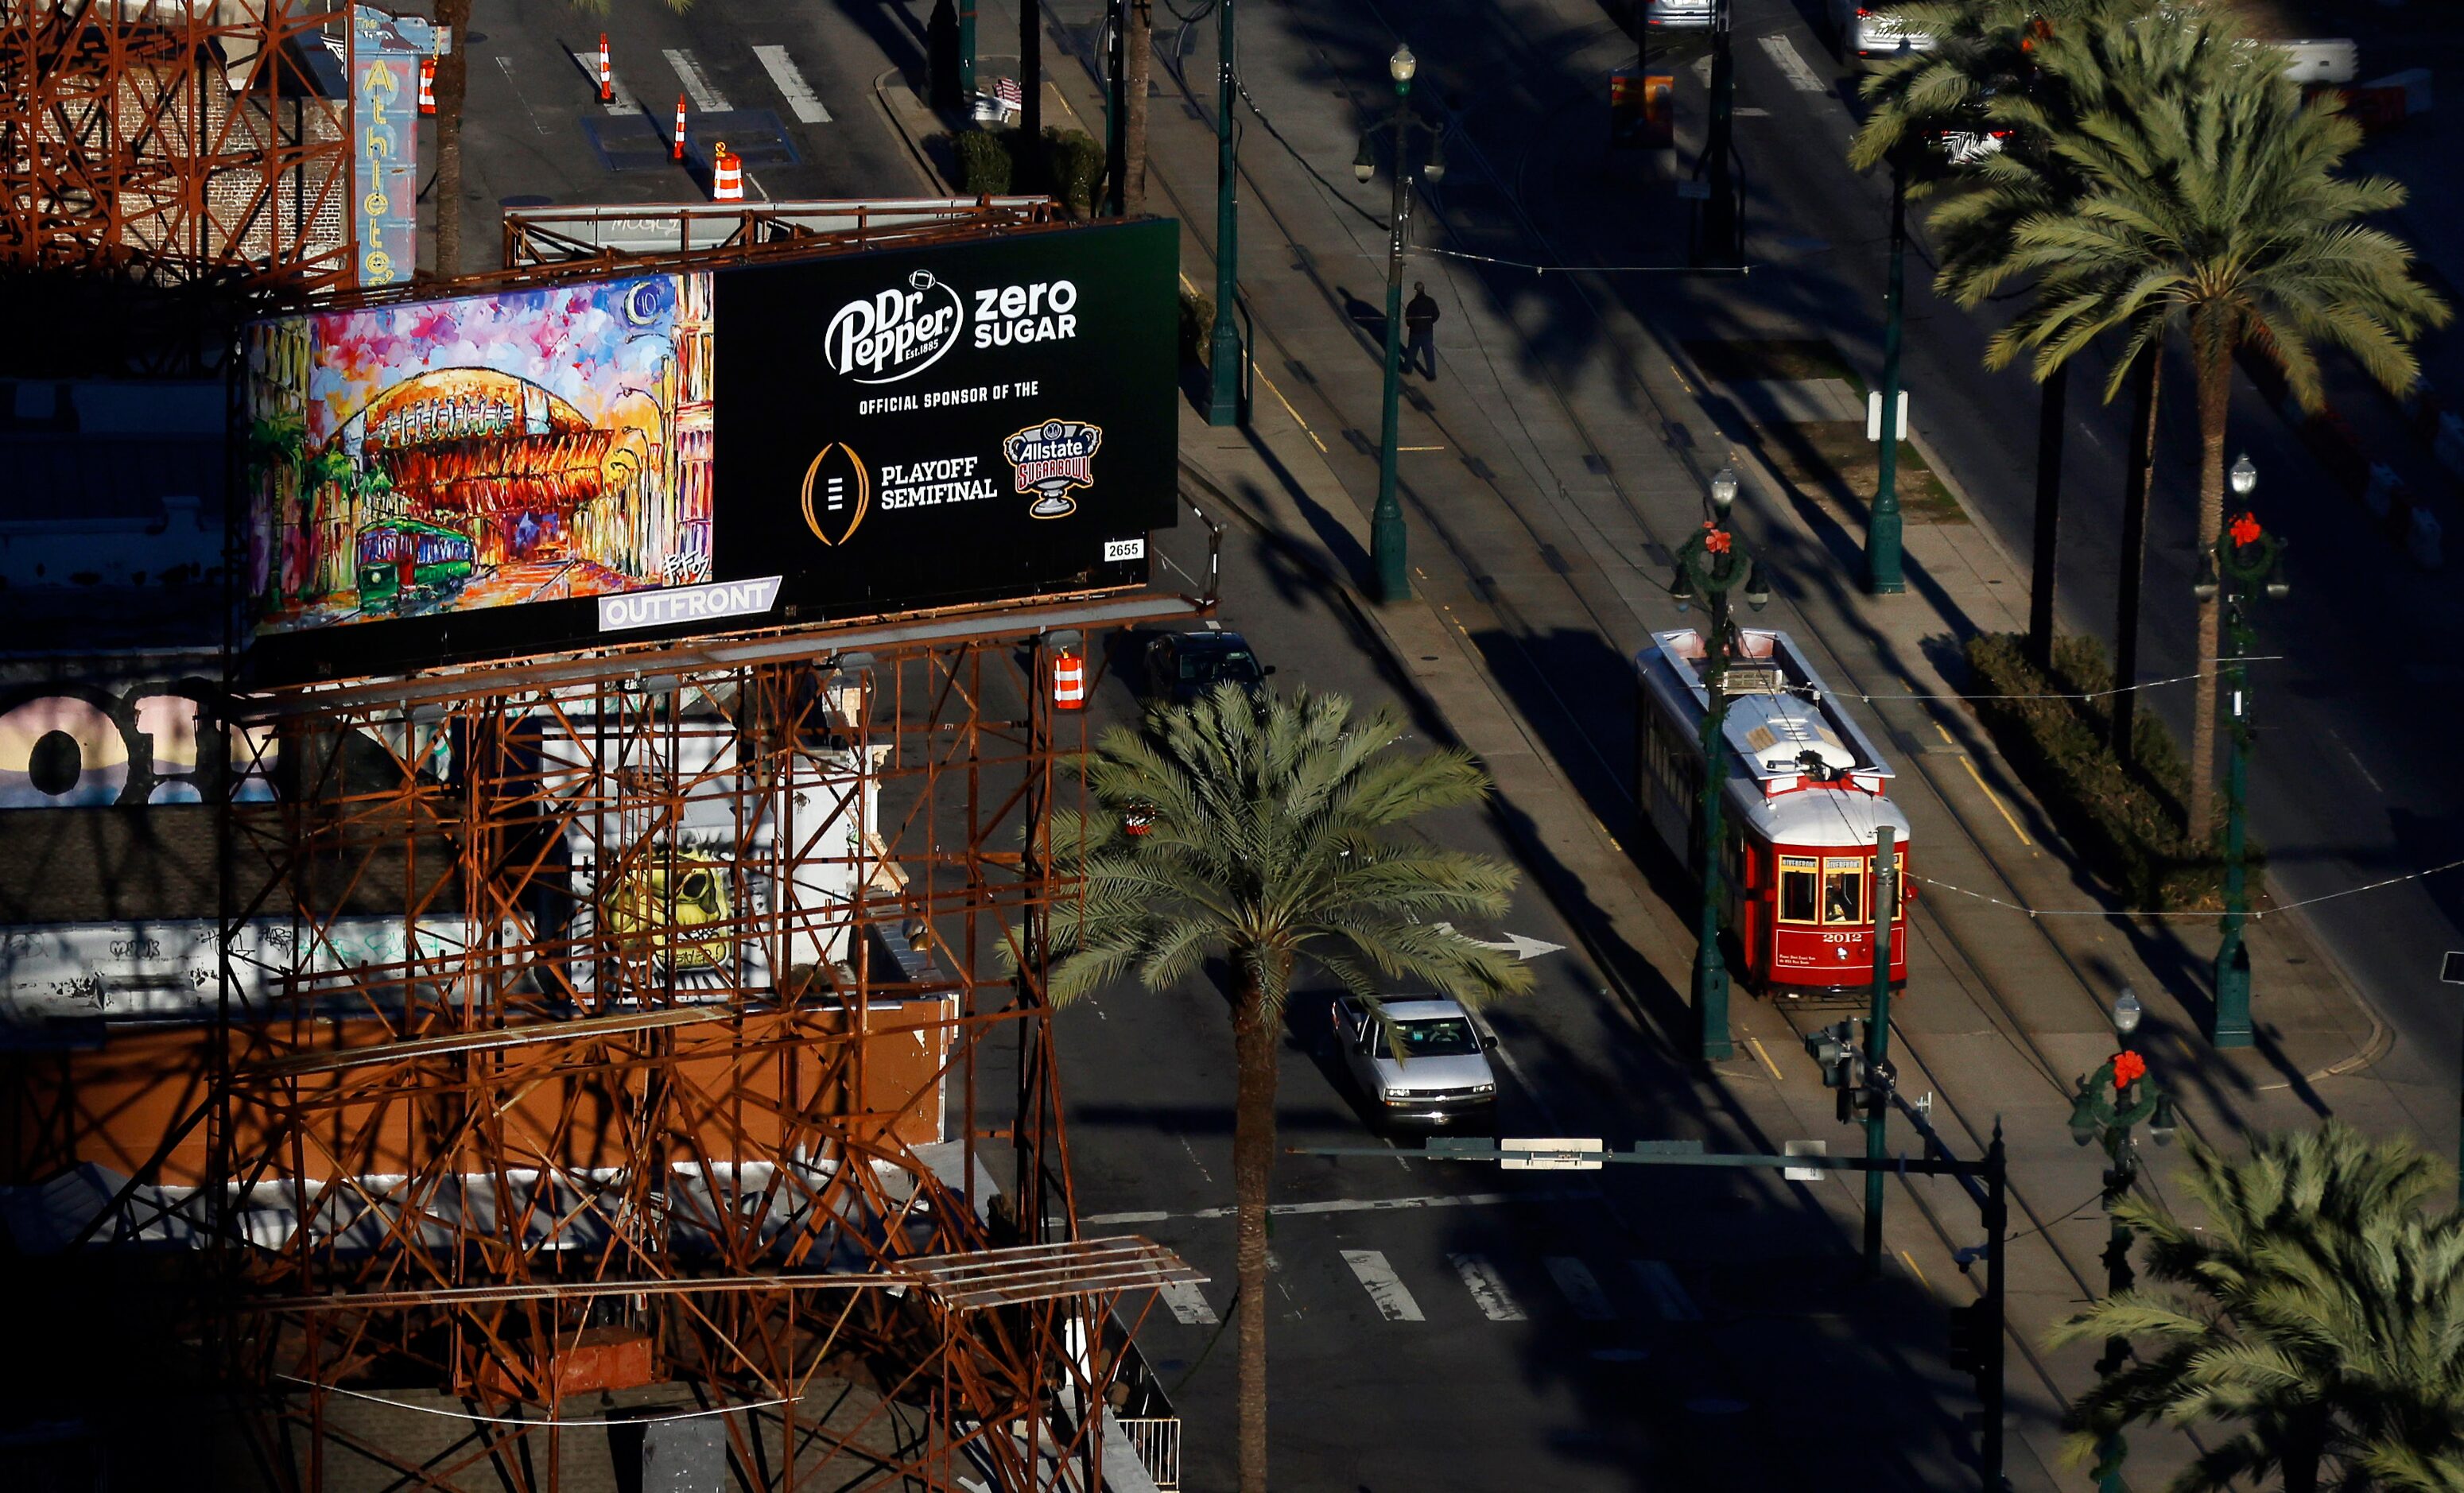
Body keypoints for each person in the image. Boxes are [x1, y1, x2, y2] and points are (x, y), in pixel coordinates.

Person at [1403, 281, 1441, 380]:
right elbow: (1436, 314)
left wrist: (1412, 325)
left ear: (1415, 291)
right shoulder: (1430, 301)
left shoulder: (1412, 304)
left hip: (1415, 331)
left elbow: (1408, 318)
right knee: (1429, 353)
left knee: (1412, 351)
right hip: (1427, 331)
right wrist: (1429, 322)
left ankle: (1408, 369)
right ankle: (1431, 374)